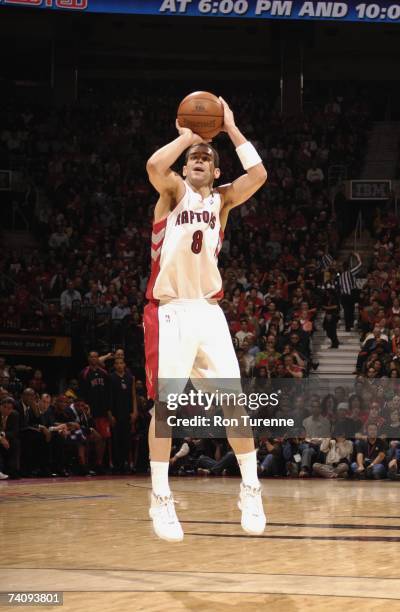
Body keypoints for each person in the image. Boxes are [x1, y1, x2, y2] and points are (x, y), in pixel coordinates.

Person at [144, 97, 267, 541]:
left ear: (216, 172)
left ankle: (250, 488)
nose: (198, 158)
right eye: (194, 157)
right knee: (166, 410)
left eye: (206, 157)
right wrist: (186, 137)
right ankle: (160, 497)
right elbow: (155, 168)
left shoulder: (222, 201)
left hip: (210, 312)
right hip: (172, 310)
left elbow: (258, 176)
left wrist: (230, 128)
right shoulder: (172, 191)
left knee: (236, 405)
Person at [337, 253, 362, 332]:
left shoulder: (340, 276)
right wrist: (358, 256)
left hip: (343, 295)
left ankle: (349, 325)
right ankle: (349, 325)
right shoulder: (350, 272)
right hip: (349, 295)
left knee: (348, 310)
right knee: (349, 310)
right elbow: (360, 265)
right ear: (348, 267)